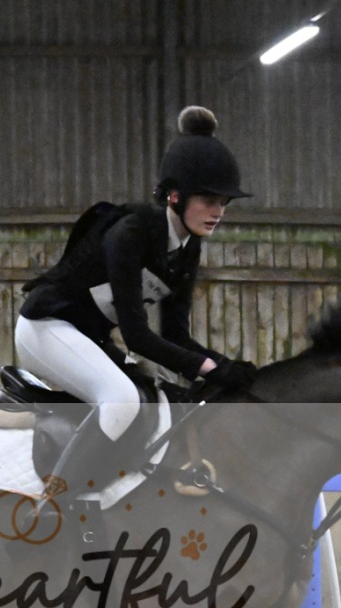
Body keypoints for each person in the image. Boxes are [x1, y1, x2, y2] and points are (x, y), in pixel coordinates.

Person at [16, 105, 258, 493]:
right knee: (122, 400)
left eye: (224, 202)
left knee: (158, 399)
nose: (219, 212)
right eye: (209, 200)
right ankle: (54, 503)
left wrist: (222, 366)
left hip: (88, 338)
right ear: (175, 197)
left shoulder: (188, 246)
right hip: (45, 329)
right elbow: (137, 336)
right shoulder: (130, 233)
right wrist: (209, 368)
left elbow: (175, 335)